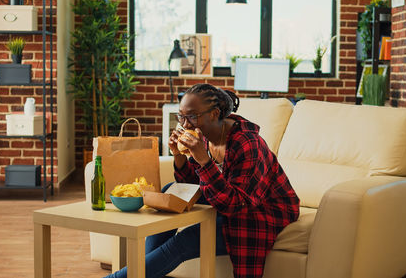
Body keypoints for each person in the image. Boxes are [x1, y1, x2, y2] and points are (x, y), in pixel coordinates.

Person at [106, 83, 299, 278]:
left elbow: (235, 204)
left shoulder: (248, 143)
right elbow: (192, 185)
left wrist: (204, 160)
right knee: (170, 191)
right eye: (180, 116)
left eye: (191, 116)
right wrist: (179, 156)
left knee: (186, 240)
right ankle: (144, 273)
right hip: (227, 200)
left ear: (214, 114)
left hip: (260, 210)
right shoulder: (206, 136)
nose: (185, 124)